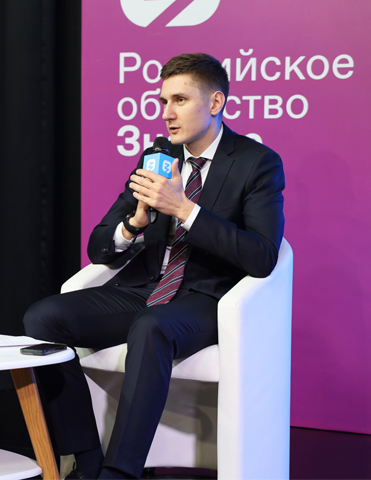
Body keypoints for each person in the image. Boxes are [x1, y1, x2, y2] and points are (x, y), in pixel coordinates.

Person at [24, 53, 285, 479]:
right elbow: (99, 248)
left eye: (180, 100)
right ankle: (86, 459)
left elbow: (262, 255)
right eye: (163, 101)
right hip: (146, 287)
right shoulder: (159, 156)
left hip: (205, 298)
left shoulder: (257, 162)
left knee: (151, 327)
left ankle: (120, 472)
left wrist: (185, 210)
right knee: (43, 319)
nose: (167, 113)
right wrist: (134, 225)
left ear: (215, 102)